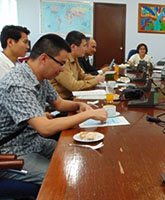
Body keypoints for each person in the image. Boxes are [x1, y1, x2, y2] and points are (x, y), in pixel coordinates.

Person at [0, 34, 108, 185]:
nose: (63, 69)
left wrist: (79, 105)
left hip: (34, 142)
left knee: (79, 156)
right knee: (63, 178)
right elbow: (45, 128)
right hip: (12, 151)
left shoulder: (39, 76)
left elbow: (59, 103)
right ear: (44, 58)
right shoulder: (17, 83)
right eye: (61, 63)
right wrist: (89, 114)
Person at [51, 31, 105, 99]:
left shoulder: (74, 58)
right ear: (73, 47)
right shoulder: (63, 60)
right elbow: (73, 86)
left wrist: (97, 78)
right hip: (62, 101)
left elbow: (82, 75)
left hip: (71, 97)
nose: (85, 49)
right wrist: (95, 81)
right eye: (84, 46)